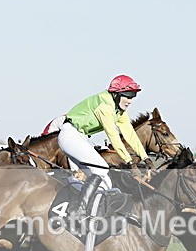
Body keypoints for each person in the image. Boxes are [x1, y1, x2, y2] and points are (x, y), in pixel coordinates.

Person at [59, 75, 151, 219]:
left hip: (80, 138)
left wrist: (145, 157)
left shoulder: (118, 110)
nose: (130, 100)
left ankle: (92, 215)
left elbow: (130, 134)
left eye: (133, 96)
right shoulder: (105, 105)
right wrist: (130, 162)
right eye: (128, 96)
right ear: (116, 94)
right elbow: (113, 136)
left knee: (106, 182)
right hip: (70, 136)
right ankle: (78, 210)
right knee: (101, 168)